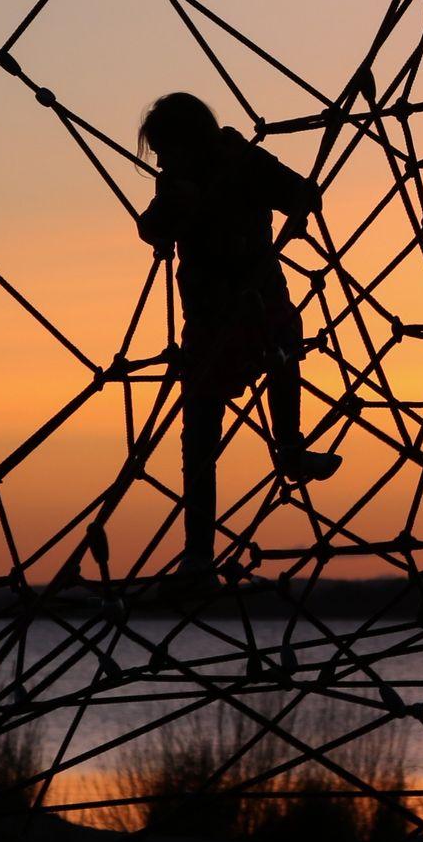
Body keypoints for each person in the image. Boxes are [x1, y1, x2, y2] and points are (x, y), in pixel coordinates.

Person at [134, 93, 340, 573]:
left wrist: (288, 200)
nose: (161, 161)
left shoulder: (241, 161)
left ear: (189, 140)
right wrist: (173, 208)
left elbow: (301, 193)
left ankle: (289, 446)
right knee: (200, 437)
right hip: (209, 321)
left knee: (282, 347)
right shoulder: (177, 182)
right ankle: (200, 555)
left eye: (166, 148)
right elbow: (152, 229)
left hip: (256, 301)